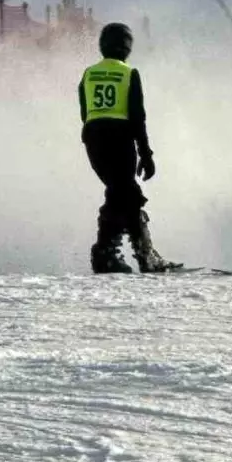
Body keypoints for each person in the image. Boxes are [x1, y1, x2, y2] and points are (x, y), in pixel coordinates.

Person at [79, 22, 179, 274]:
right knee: (126, 194)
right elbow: (138, 117)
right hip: (120, 138)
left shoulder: (88, 73)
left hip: (93, 138)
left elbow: (84, 111)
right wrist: (146, 154)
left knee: (122, 193)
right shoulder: (129, 73)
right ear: (127, 47)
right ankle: (124, 255)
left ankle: (120, 253)